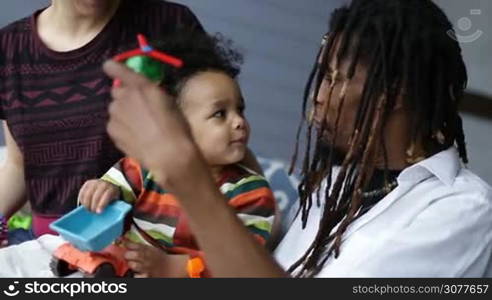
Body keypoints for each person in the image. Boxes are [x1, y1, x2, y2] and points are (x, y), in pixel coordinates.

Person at [103, 0, 492, 277]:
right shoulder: (336, 184)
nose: (319, 95)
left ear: (396, 93)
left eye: (337, 79)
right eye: (321, 76)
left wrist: (185, 173)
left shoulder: (458, 211)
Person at [0, 0, 204, 240]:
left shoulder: (168, 24)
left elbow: (214, 129)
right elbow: (18, 164)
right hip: (47, 249)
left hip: (152, 244)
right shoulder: (9, 48)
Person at [77, 32, 276, 277]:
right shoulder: (144, 168)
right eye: (220, 114)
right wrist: (102, 190)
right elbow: (112, 192)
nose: (239, 122)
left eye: (240, 109)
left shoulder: (251, 193)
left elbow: (245, 264)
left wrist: (174, 268)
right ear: (175, 126)